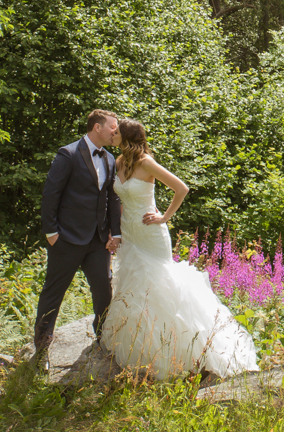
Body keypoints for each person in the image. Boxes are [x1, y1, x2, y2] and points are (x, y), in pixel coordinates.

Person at [101, 117, 257, 380]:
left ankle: (183, 351)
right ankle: (140, 347)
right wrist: (114, 231)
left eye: (116, 132)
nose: (112, 135)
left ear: (126, 137)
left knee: (159, 283)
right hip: (129, 232)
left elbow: (181, 188)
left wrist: (164, 217)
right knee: (132, 285)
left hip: (151, 233)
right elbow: (116, 198)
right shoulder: (118, 161)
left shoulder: (146, 163)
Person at [35, 109, 123, 356]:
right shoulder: (68, 154)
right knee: (53, 294)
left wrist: (114, 233)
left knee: (104, 292)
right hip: (67, 239)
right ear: (97, 127)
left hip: (98, 241)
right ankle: (42, 349)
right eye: (112, 127)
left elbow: (111, 197)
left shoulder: (109, 158)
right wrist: (51, 232)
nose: (115, 131)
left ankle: (103, 341)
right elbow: (51, 193)